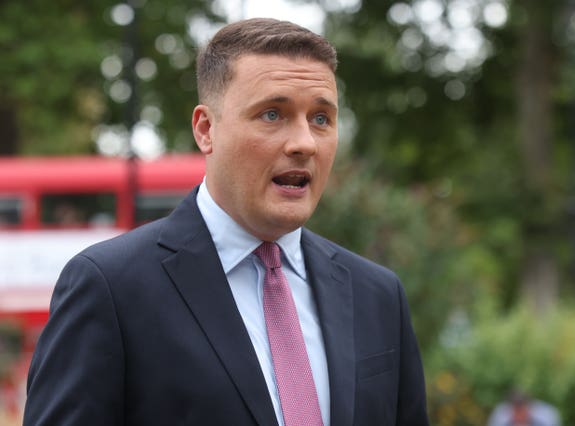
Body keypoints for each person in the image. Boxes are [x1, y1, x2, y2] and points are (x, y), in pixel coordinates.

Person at [23, 18, 429, 426]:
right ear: (205, 129)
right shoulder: (109, 288)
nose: (305, 142)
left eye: (321, 118)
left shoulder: (378, 295)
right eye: (273, 114)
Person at [487, 389, 561, 426]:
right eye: (516, 410)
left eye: (521, 410)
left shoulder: (546, 415)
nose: (518, 415)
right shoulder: (500, 415)